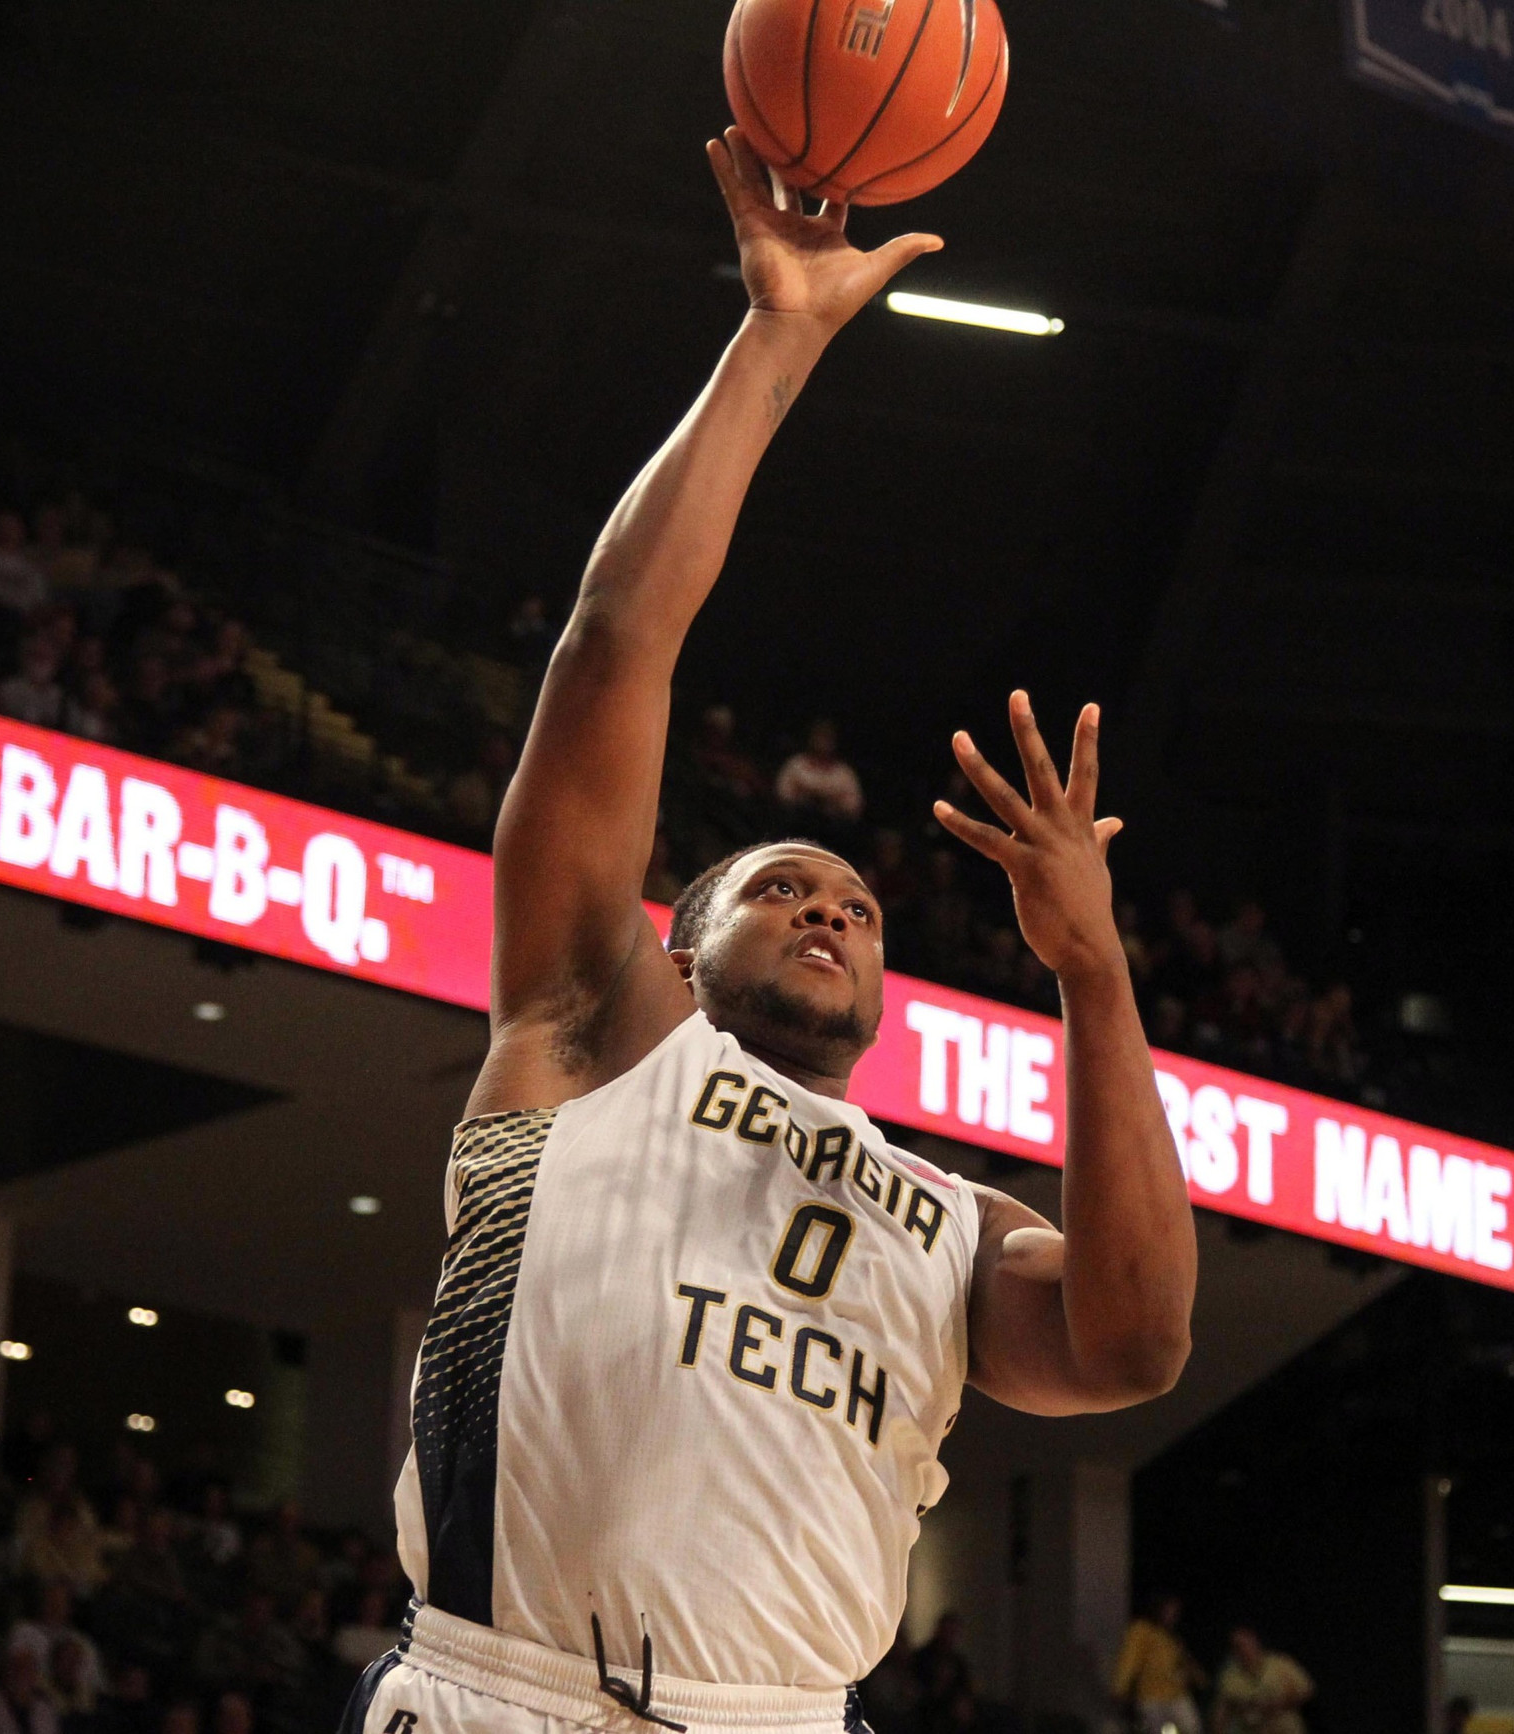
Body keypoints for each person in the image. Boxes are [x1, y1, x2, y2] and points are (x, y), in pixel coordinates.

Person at [345, 128, 1195, 1734]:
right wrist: (778, 340)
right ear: (677, 945)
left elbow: (1138, 1341)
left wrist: (1094, 971)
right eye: (782, 886)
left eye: (860, 907)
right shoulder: (589, 1028)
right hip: (497, 1694)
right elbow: (617, 642)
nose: (831, 907)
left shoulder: (951, 1225)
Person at [1112, 1595, 1205, 1734]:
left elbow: (1184, 1663)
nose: (1172, 1615)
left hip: (1177, 1694)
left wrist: (1200, 1679)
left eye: (1175, 1611)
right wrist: (1119, 1688)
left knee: (1192, 1728)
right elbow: (1129, 1660)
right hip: (1151, 1697)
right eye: (1169, 1609)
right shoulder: (1141, 1630)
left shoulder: (1171, 1638)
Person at [1210, 1629, 1310, 1734]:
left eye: (1245, 1644)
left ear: (1255, 1643)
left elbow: (1306, 1691)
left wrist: (1278, 1704)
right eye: (1237, 1646)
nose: (1243, 1650)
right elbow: (1222, 1710)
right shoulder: (1229, 1676)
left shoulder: (1280, 1663)